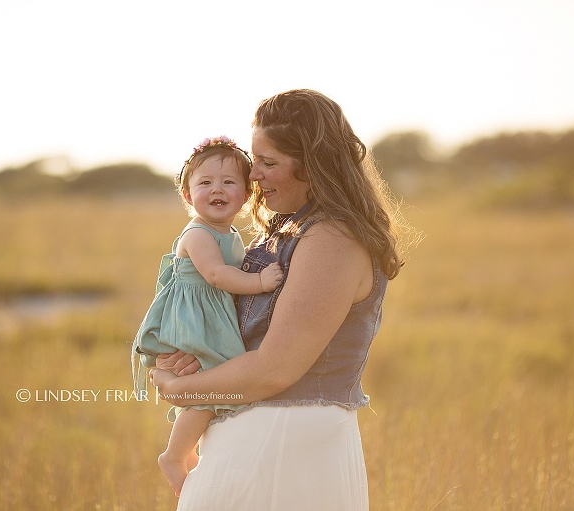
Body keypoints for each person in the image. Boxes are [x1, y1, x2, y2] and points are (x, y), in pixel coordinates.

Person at [150, 89, 411, 510]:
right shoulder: (287, 231)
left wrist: (181, 389)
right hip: (254, 445)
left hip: (289, 448)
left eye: (269, 163)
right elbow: (240, 337)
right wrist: (189, 354)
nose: (254, 176)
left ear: (314, 165)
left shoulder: (331, 239)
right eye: (256, 162)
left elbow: (275, 370)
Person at [132, 135, 284, 497]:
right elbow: (216, 275)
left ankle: (197, 453)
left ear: (246, 194)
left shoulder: (228, 232)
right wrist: (260, 281)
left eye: (229, 182)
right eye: (205, 183)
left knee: (216, 383)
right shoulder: (198, 233)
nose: (217, 189)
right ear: (187, 196)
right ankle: (174, 455)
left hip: (209, 318)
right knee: (210, 385)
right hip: (194, 321)